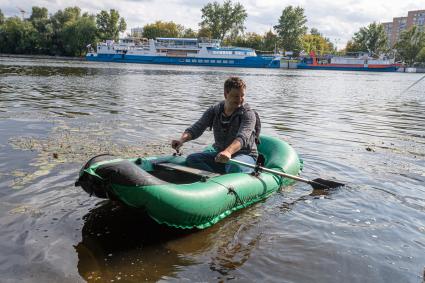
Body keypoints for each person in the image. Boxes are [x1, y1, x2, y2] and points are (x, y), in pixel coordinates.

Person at [171, 76, 258, 174]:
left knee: (233, 165)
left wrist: (228, 152)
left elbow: (242, 137)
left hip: (245, 156)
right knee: (192, 159)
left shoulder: (248, 114)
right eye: (236, 96)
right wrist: (181, 140)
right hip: (220, 155)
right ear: (226, 94)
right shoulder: (214, 110)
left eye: (242, 95)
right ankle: (213, 178)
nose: (240, 99)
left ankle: (227, 177)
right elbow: (197, 128)